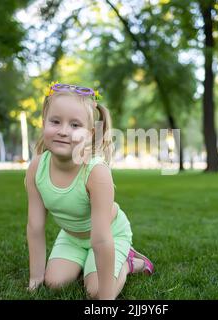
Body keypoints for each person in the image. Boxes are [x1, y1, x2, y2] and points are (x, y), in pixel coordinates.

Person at [25, 82, 154, 300]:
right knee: (54, 283)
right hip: (72, 235)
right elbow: (35, 226)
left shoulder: (96, 172)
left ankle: (129, 262)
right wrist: (35, 277)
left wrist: (105, 300)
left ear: (90, 133)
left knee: (95, 291)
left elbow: (101, 239)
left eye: (75, 125)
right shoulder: (37, 167)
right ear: (44, 123)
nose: (64, 131)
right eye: (55, 121)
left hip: (109, 234)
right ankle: (85, 263)